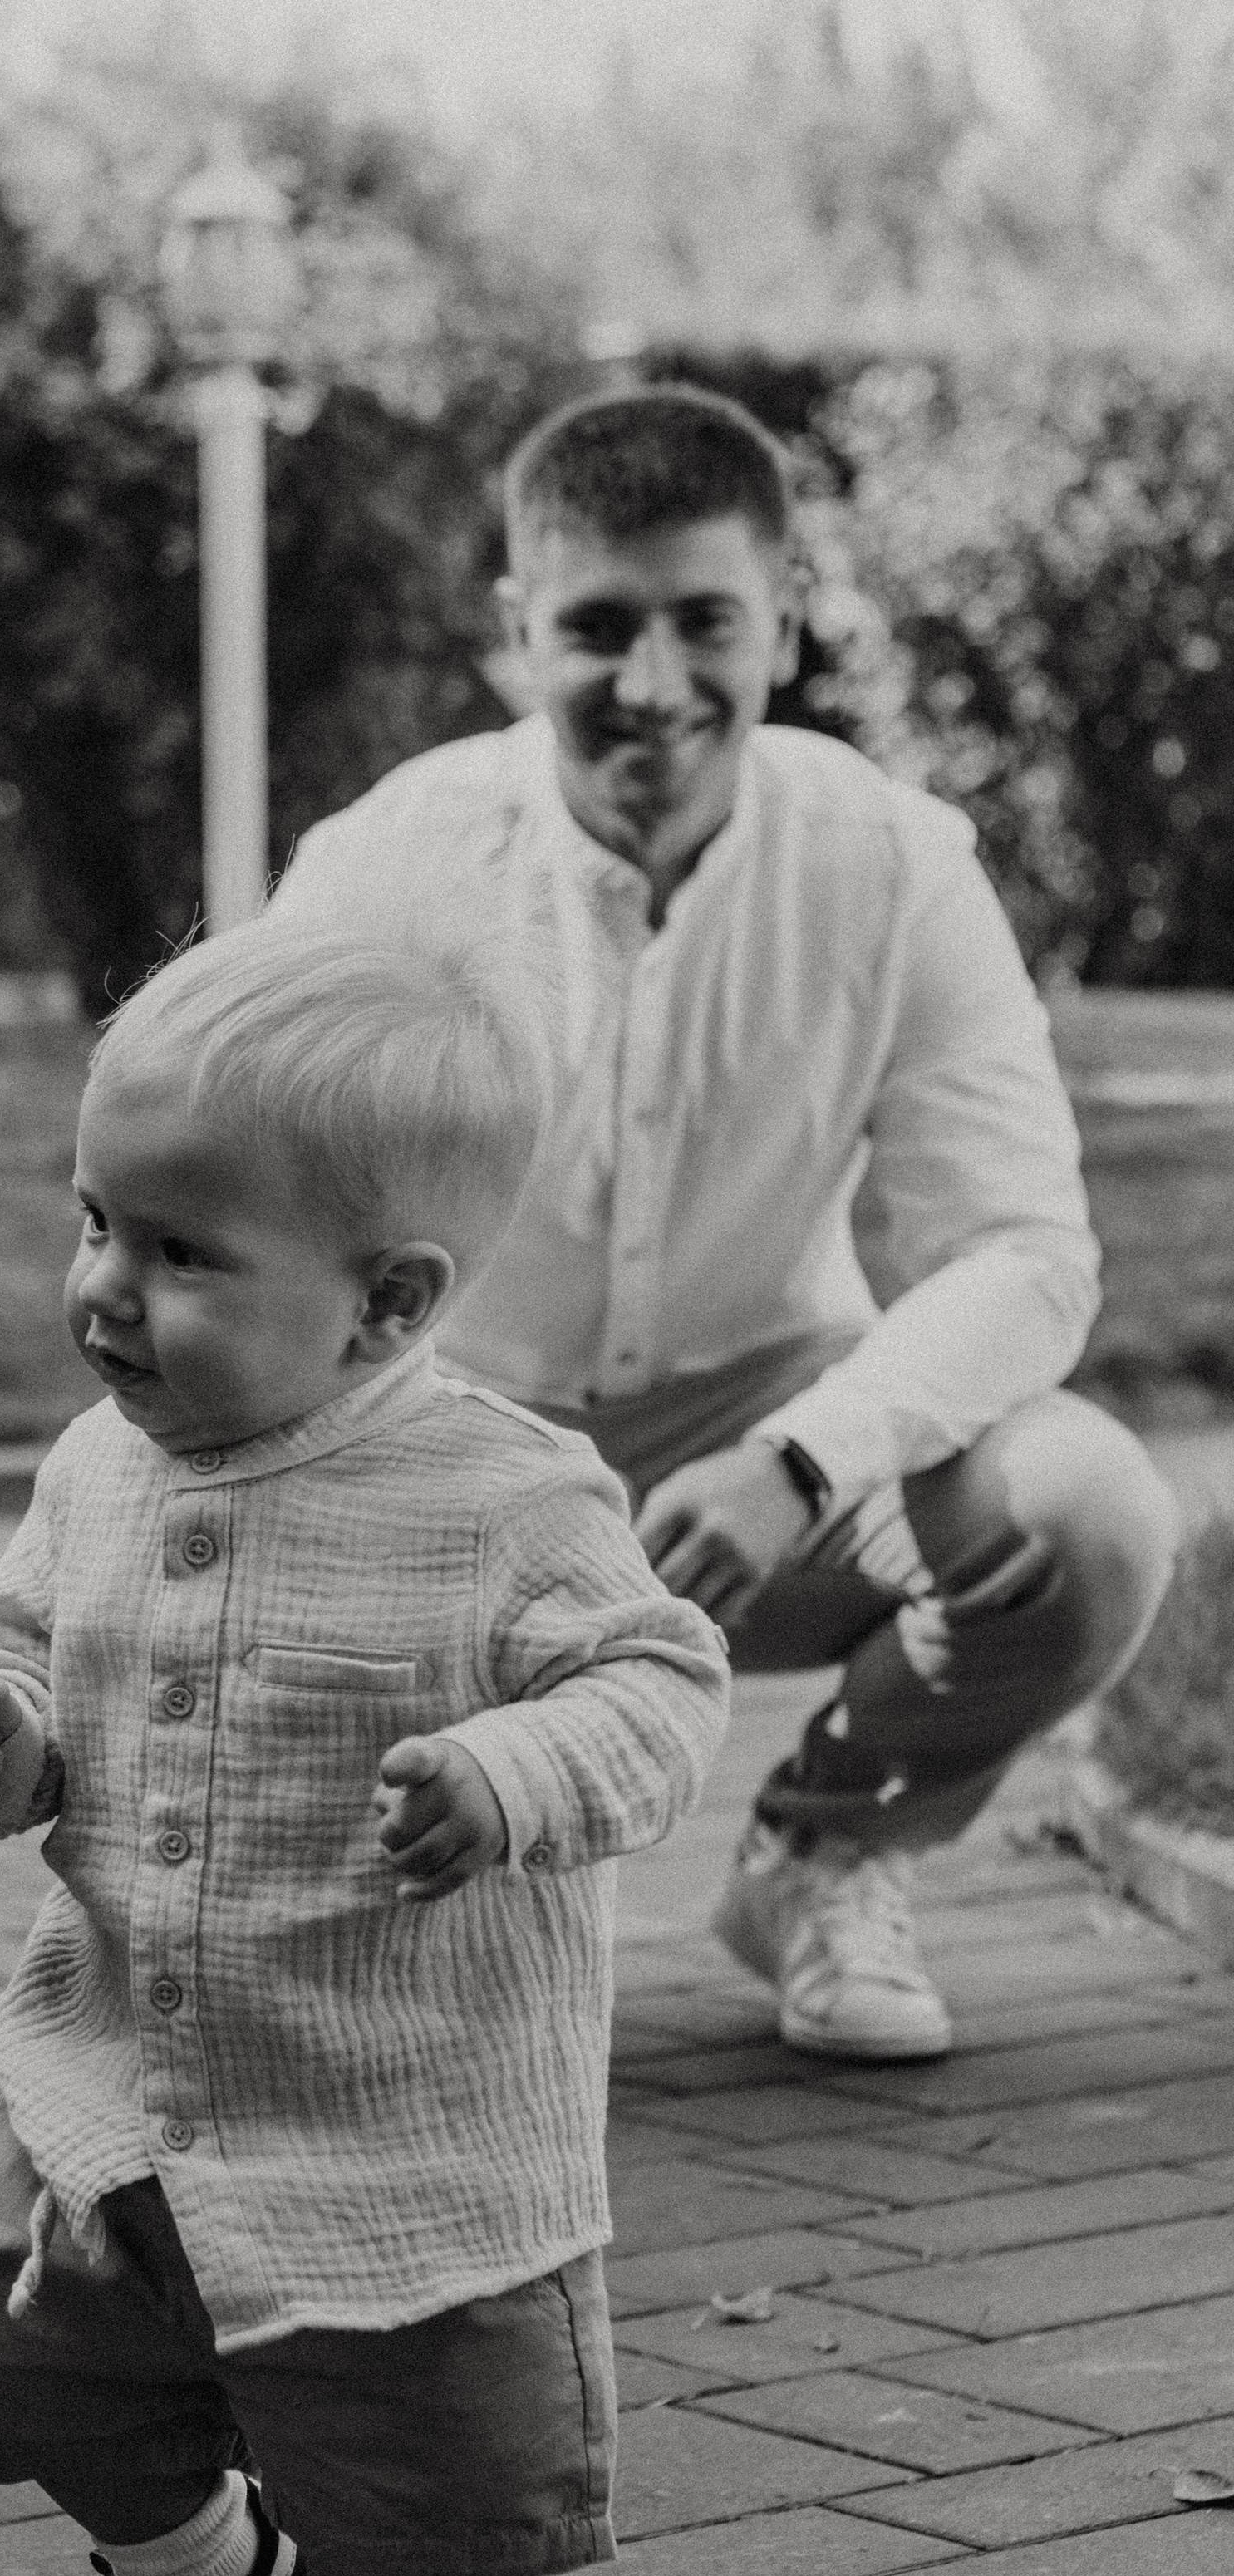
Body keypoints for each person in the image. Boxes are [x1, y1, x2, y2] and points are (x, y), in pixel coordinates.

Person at [0, 923, 727, 2576]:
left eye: (176, 1252)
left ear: (389, 1303)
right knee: (38, 2386)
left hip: (398, 2126)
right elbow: (29, 1649)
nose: (103, 1287)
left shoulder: (505, 1497)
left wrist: (516, 1765)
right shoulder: (99, 1460)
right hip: (115, 2091)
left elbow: (657, 1683)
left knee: (403, 2479)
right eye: (92, 1218)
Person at [267, 381, 1181, 2063]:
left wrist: (803, 1461)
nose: (654, 687)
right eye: (598, 629)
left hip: (774, 1437)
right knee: (385, 2021)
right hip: (444, 1458)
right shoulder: (382, 860)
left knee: (1089, 1511)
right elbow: (256, 1222)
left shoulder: (893, 862)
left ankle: (822, 1854)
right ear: (513, 629)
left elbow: (1023, 1252)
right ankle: (436, 1868)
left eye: (704, 623)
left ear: (782, 613)